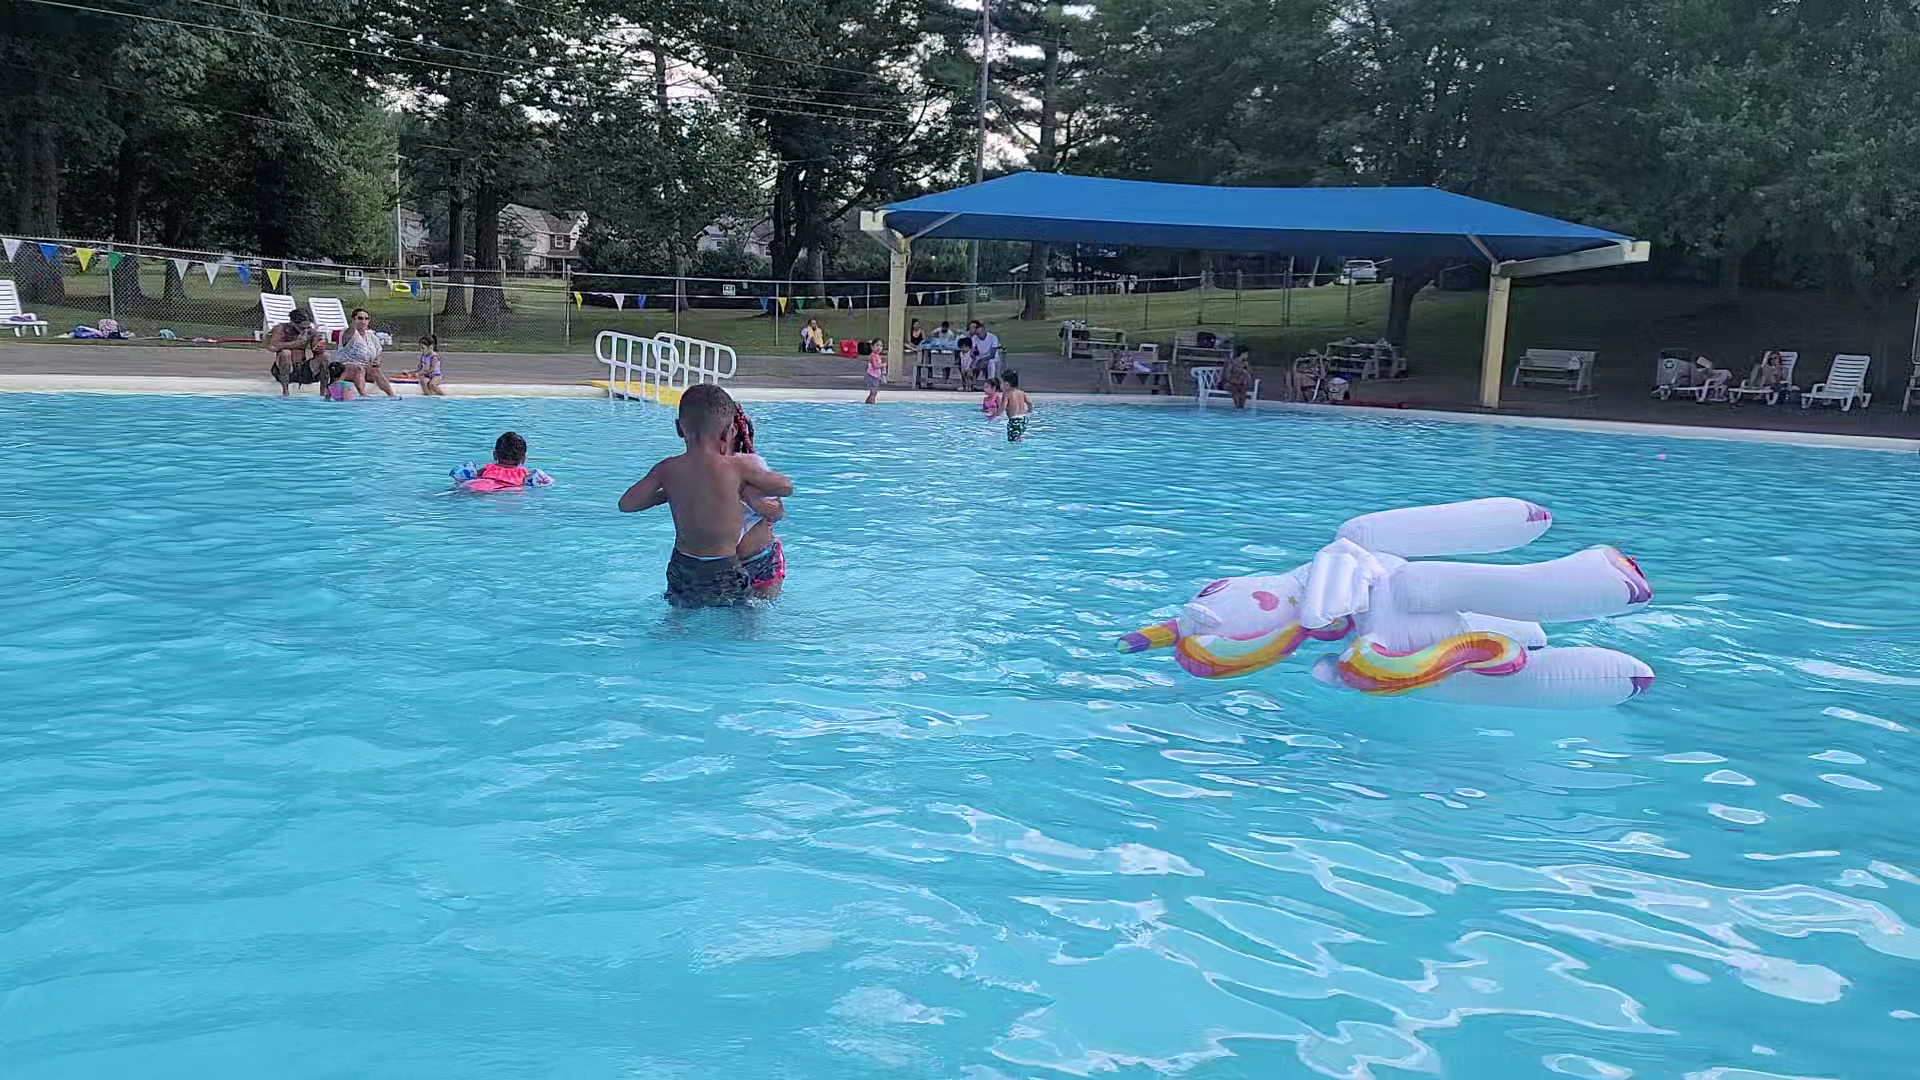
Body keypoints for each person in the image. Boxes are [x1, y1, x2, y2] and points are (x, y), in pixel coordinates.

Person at [618, 384, 794, 609]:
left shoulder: (668, 468)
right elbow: (785, 487)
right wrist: (746, 485)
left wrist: (669, 492)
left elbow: (627, 504)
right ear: (730, 431)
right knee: (739, 619)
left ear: (679, 429)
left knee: (679, 617)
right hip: (723, 566)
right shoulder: (739, 467)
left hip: (682, 566)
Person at [729, 408, 786, 601]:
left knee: (755, 614)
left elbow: (777, 512)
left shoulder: (753, 468)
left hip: (761, 559)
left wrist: (754, 500)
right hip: (723, 564)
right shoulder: (698, 472)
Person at [264, 307, 327, 397]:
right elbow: (272, 346)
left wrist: (318, 347)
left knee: (325, 356)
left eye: (307, 327)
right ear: (292, 323)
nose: (304, 330)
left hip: (302, 368)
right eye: (302, 327)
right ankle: (285, 391)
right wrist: (294, 344)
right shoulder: (281, 329)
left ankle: (323, 392)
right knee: (286, 353)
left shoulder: (310, 331)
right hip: (285, 367)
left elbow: (316, 350)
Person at [335, 307, 397, 399]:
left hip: (365, 369)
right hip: (345, 369)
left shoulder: (371, 335)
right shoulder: (348, 332)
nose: (363, 321)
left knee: (375, 370)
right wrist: (354, 325)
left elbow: (379, 354)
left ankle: (392, 395)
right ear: (353, 320)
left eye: (366, 319)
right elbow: (349, 332)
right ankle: (363, 395)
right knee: (359, 369)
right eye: (360, 318)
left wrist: (377, 361)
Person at [1222, 344, 1256, 409]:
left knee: (1243, 391)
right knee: (1235, 390)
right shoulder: (1232, 362)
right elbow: (1227, 374)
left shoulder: (1245, 363)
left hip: (1241, 383)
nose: (1247, 356)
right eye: (1246, 354)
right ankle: (1237, 406)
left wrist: (1247, 368)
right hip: (1231, 382)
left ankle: (1241, 407)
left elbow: (1251, 372)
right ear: (1242, 354)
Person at [1002, 370, 1032, 441]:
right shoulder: (1021, 392)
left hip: (1014, 420)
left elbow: (1003, 407)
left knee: (1012, 440)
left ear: (1007, 384)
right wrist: (1029, 411)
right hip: (1023, 419)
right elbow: (1029, 403)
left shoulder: (1007, 394)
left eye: (1002, 383)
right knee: (1019, 436)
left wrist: (995, 414)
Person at [864, 339, 887, 404]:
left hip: (875, 376)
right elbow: (875, 366)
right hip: (871, 376)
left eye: (881, 346)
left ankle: (868, 403)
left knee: (874, 392)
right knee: (873, 392)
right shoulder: (873, 355)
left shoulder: (877, 355)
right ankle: (871, 404)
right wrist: (883, 365)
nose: (879, 348)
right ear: (872, 347)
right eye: (877, 345)